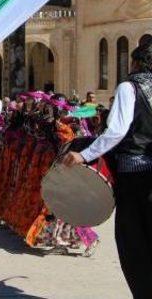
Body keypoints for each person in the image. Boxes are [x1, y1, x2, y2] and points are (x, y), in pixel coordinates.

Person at [63, 42, 152, 298]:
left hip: (134, 178)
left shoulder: (130, 86)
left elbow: (117, 131)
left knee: (134, 246)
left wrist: (84, 154)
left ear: (135, 63)